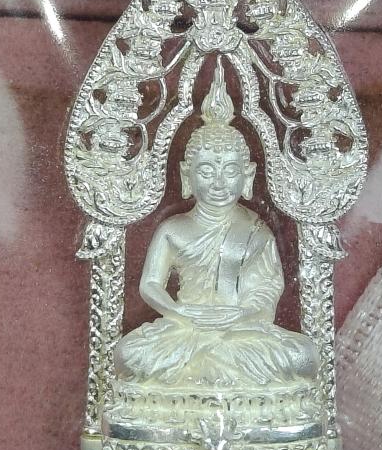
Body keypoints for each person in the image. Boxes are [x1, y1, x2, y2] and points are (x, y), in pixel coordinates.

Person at [113, 60, 319, 388]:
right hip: (184, 329)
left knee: (304, 357)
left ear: (248, 176)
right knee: (128, 354)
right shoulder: (173, 229)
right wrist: (181, 314)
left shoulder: (256, 231)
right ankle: (215, 369)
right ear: (187, 175)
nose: (219, 183)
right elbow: (150, 285)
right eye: (207, 171)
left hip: (240, 330)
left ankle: (207, 368)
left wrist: (241, 314)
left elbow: (269, 287)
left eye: (230, 171)